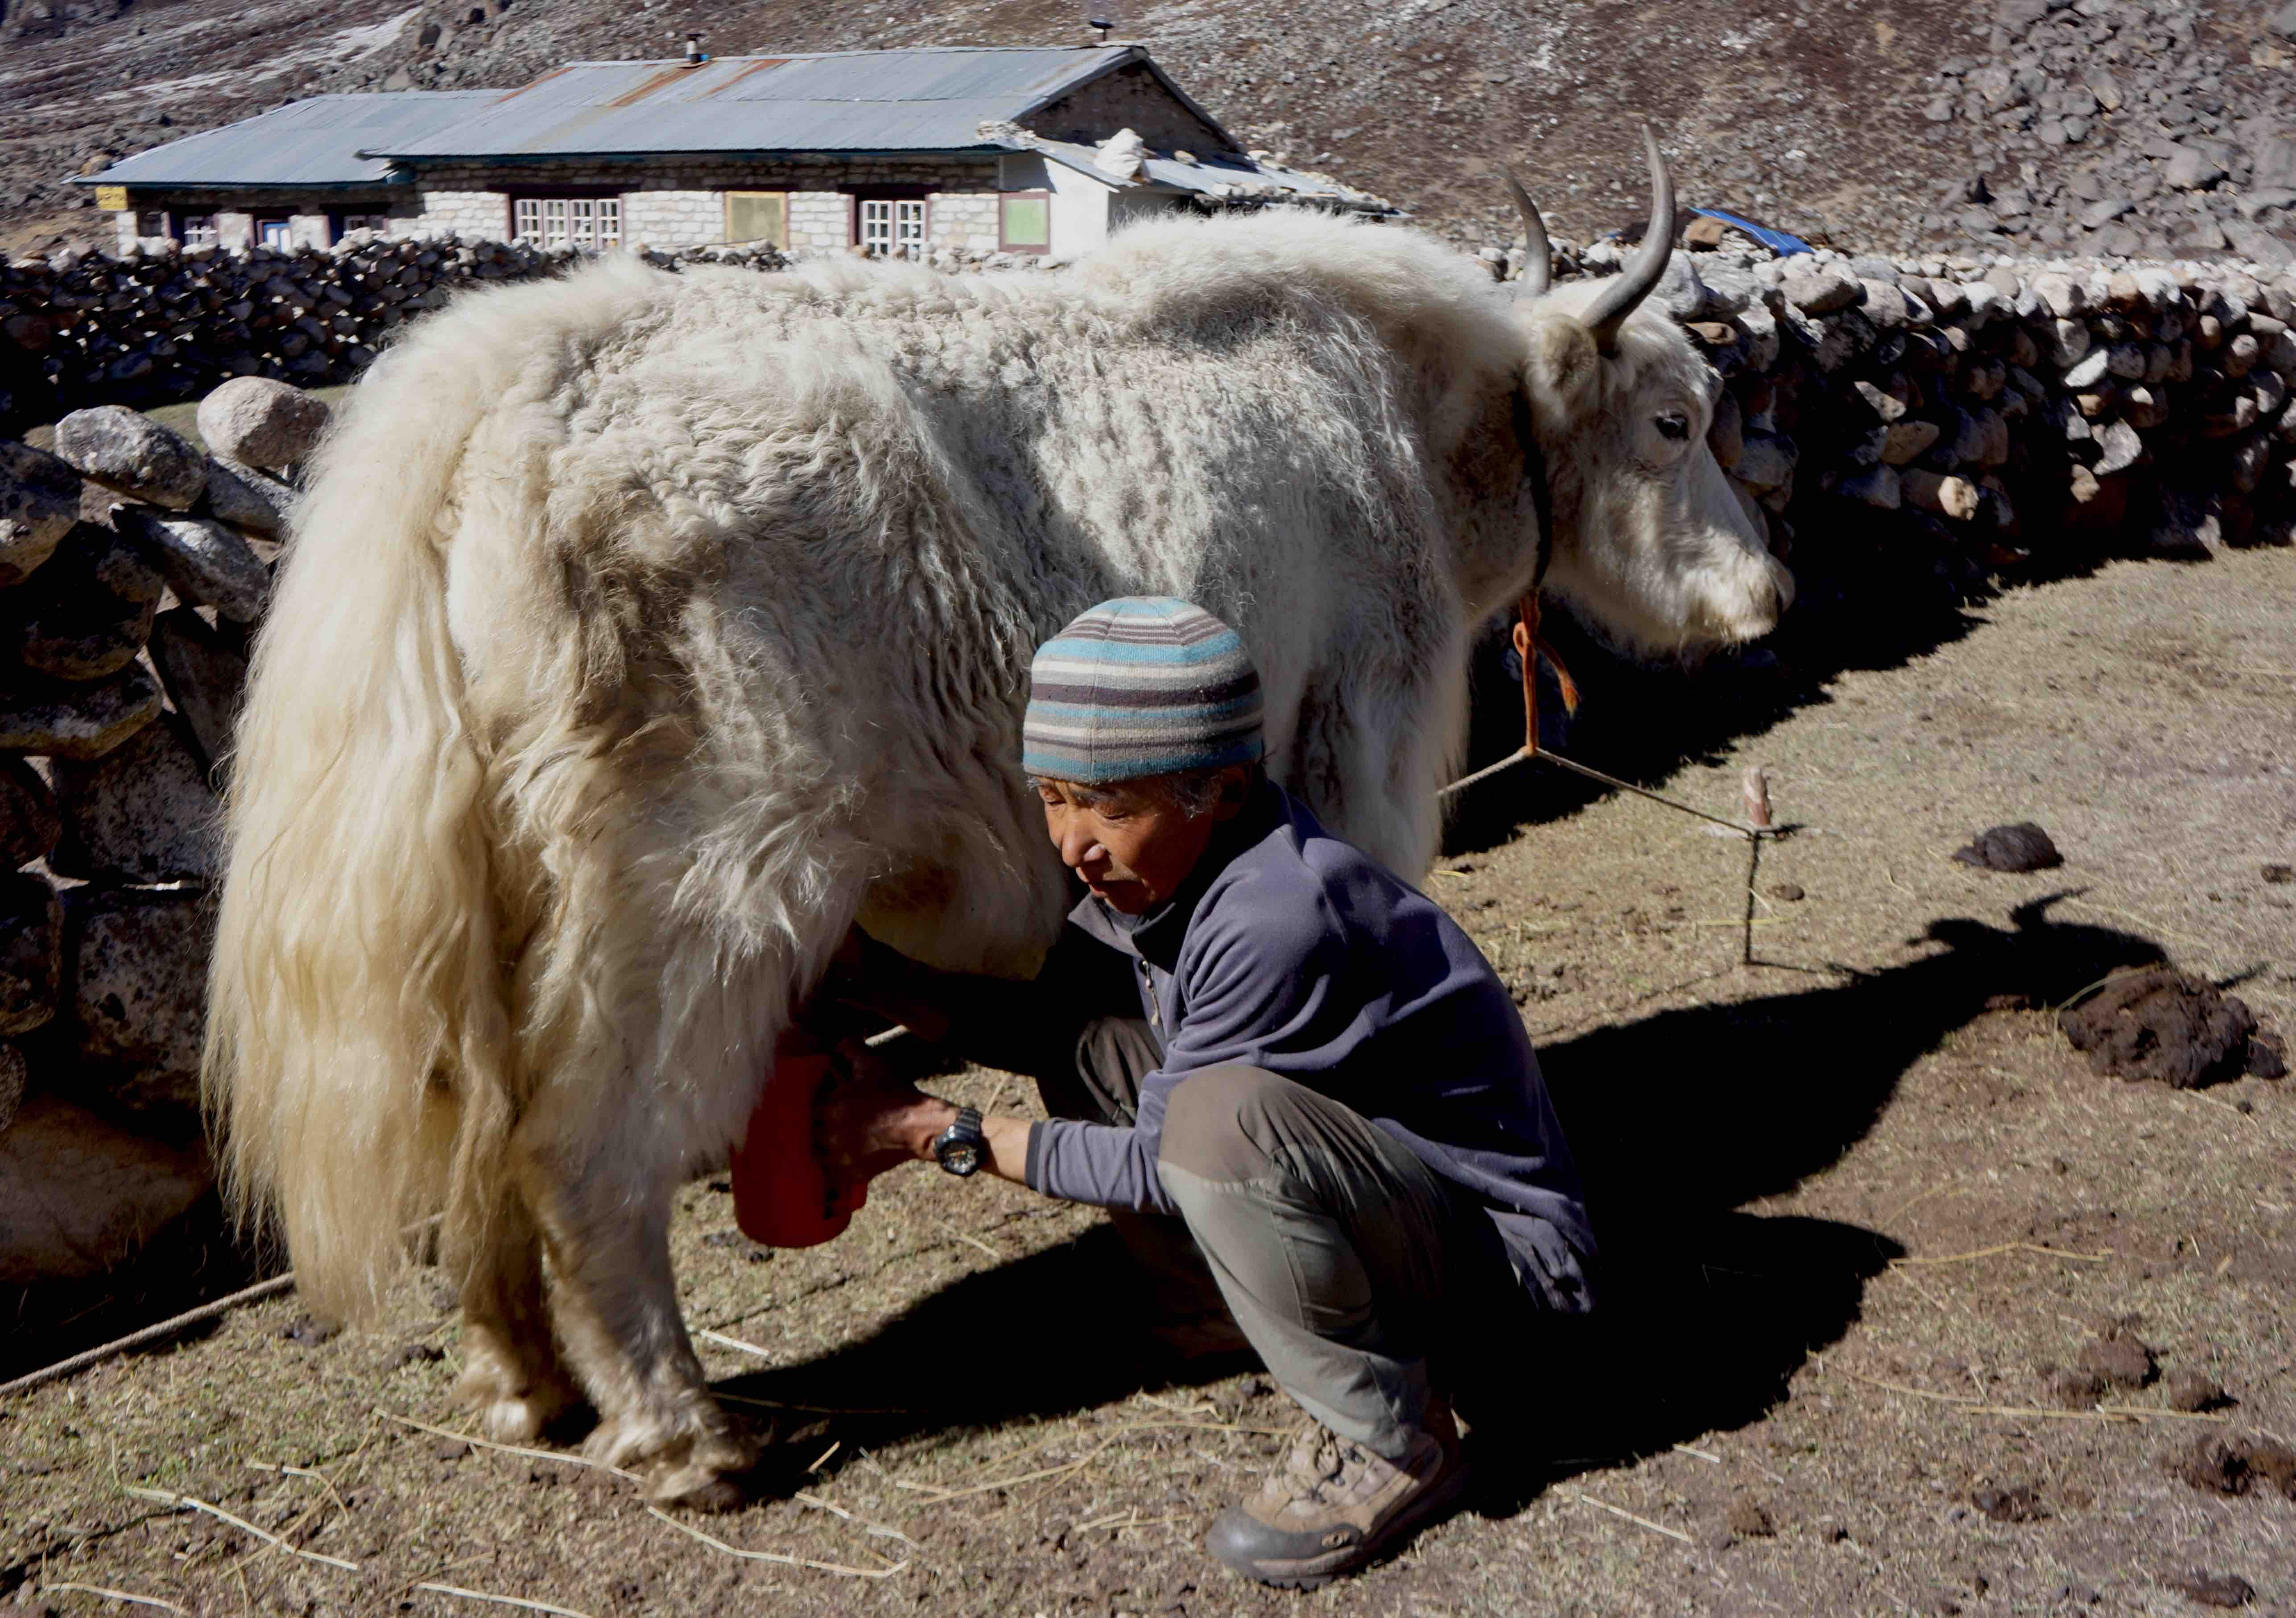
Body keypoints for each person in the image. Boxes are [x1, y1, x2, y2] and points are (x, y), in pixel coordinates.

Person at [814, 596, 1595, 1589]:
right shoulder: (1174, 879)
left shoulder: (1277, 913)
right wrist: (895, 989)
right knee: (1097, 1039)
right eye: (1054, 795)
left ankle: (1392, 1435)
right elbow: (1060, 1025)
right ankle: (1224, 1307)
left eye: (1112, 807)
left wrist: (931, 1129)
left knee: (1215, 1125)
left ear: (1221, 789)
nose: (1072, 844)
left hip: (1514, 1293)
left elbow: (1157, 1158)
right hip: (1407, 1215)